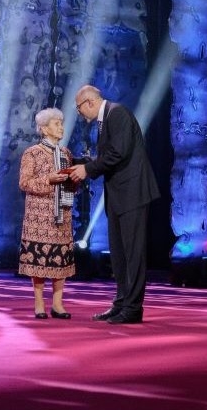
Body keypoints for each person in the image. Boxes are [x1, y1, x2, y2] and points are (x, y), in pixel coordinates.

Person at [68, 85, 159, 324]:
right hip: (118, 196)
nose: (79, 114)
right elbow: (107, 156)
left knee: (133, 254)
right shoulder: (105, 119)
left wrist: (88, 169)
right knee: (118, 255)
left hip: (133, 194)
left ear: (89, 102)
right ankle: (120, 303)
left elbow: (118, 153)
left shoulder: (117, 113)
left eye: (78, 108)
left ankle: (133, 308)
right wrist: (79, 163)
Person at [18, 108, 77, 320]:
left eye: (61, 123)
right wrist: (48, 180)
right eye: (56, 124)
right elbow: (24, 183)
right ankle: (39, 303)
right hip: (39, 216)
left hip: (63, 213)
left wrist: (74, 181)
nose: (61, 127)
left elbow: (70, 185)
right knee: (39, 261)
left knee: (60, 259)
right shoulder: (32, 153)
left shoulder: (66, 153)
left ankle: (58, 304)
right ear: (44, 129)